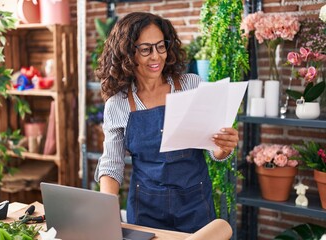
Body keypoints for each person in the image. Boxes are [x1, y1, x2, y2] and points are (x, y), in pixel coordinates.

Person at [94, 12, 239, 233]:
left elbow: (214, 150)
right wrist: (104, 210)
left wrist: (222, 148)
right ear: (126, 53)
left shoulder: (192, 85)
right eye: (145, 49)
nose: (156, 56)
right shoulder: (118, 104)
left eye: (161, 46)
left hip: (195, 205)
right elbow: (111, 164)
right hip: (146, 210)